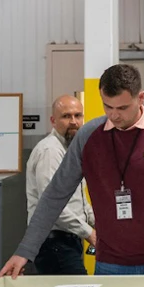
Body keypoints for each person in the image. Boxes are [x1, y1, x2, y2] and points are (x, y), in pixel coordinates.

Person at [0, 64, 144, 287]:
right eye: (107, 106)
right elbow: (54, 196)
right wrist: (25, 250)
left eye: (122, 107)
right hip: (109, 263)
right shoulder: (88, 137)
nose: (114, 115)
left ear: (141, 98)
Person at [26, 95, 96, 275]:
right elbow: (52, 205)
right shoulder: (50, 151)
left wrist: (99, 224)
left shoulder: (71, 150)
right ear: (53, 120)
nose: (73, 122)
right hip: (53, 243)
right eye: (66, 116)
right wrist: (89, 233)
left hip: (69, 240)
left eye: (78, 116)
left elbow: (79, 199)